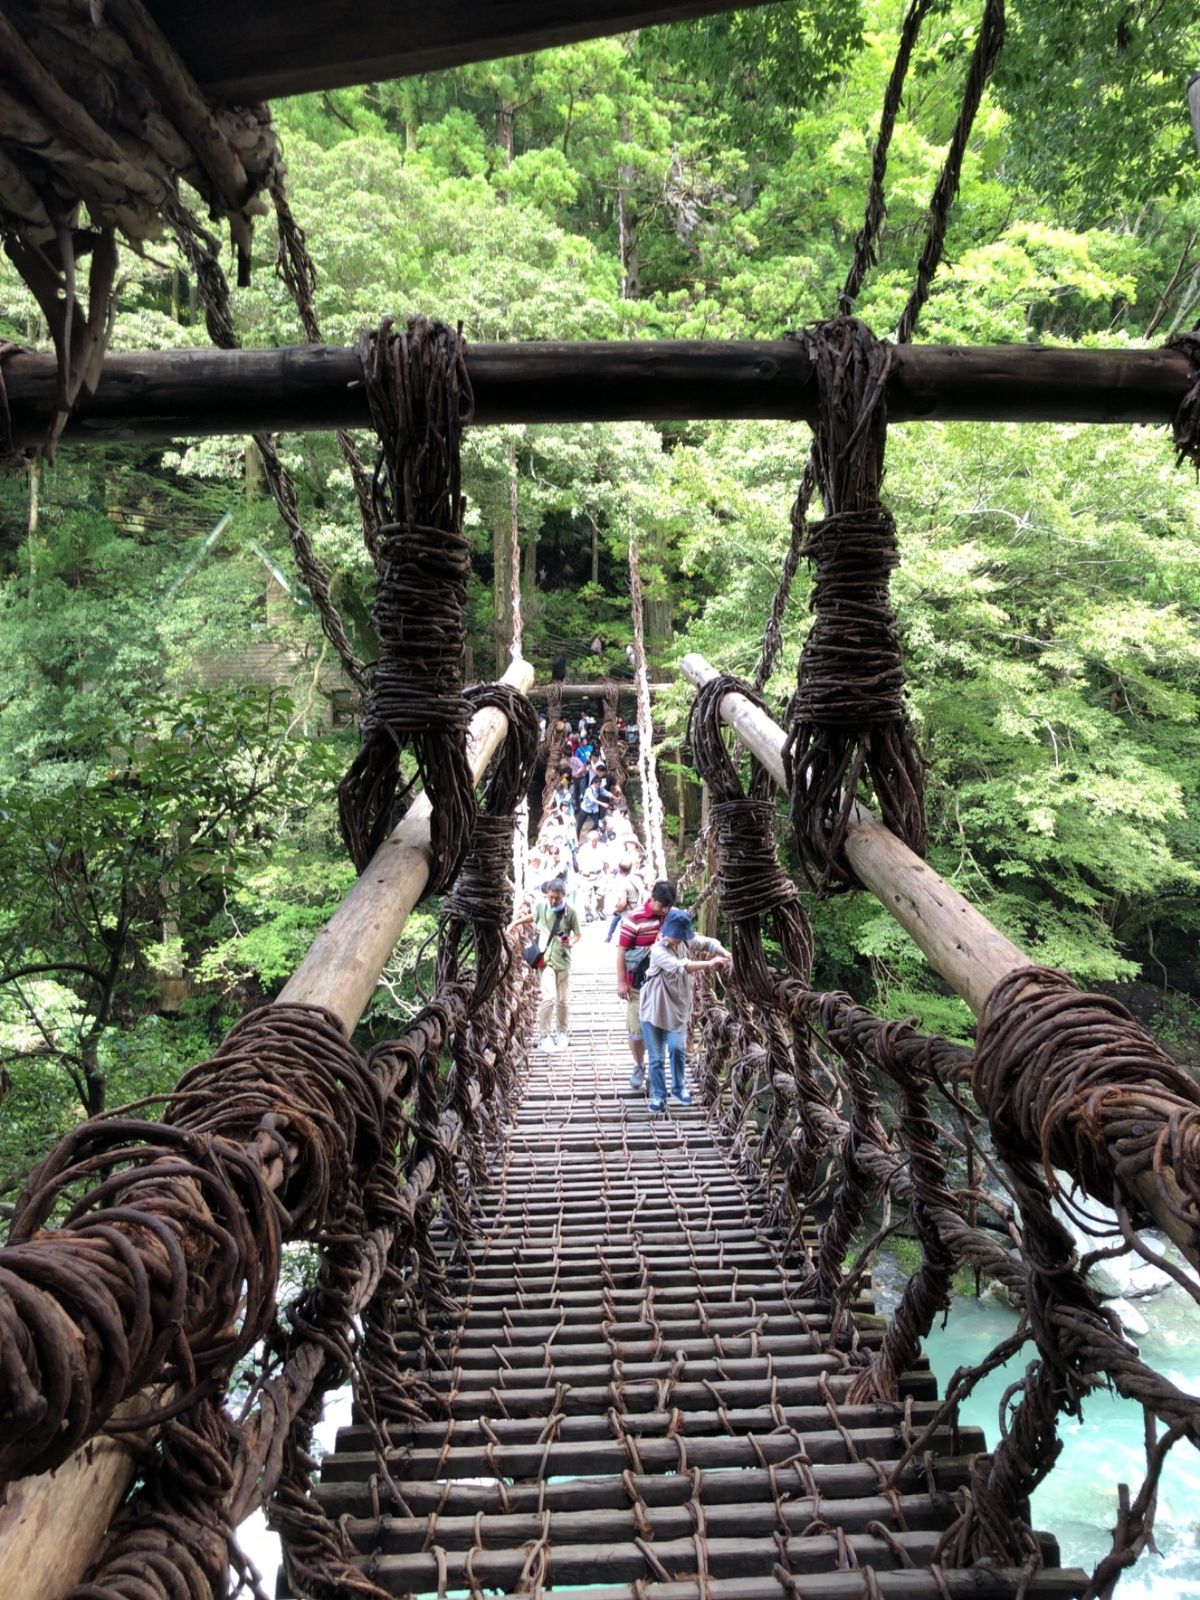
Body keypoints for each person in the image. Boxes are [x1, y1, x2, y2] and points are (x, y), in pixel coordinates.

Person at [639, 907, 730, 1111]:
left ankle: (679, 1087)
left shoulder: (686, 941)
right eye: (676, 935)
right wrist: (709, 964)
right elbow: (682, 966)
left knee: (677, 1048)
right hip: (654, 1009)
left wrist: (724, 953)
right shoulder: (658, 951)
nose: (679, 939)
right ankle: (659, 1096)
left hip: (678, 1008)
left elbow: (707, 942)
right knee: (656, 1057)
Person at [617, 878, 675, 1089]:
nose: (664, 910)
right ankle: (639, 1065)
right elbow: (622, 951)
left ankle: (654, 1070)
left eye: (668, 906)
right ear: (652, 899)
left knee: (658, 1030)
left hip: (664, 986)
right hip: (637, 985)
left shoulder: (672, 915)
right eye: (661, 906)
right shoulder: (634, 919)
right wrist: (621, 982)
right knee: (636, 1030)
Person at [533, 878, 581, 1051]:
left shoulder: (571, 912)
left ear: (564, 896)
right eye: (551, 897)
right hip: (545, 960)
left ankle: (562, 1032)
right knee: (549, 997)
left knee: (562, 999)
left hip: (563, 959)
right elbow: (532, 918)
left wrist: (570, 942)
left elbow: (578, 934)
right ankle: (544, 1035)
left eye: (557, 898)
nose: (553, 901)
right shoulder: (541, 906)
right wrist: (515, 923)